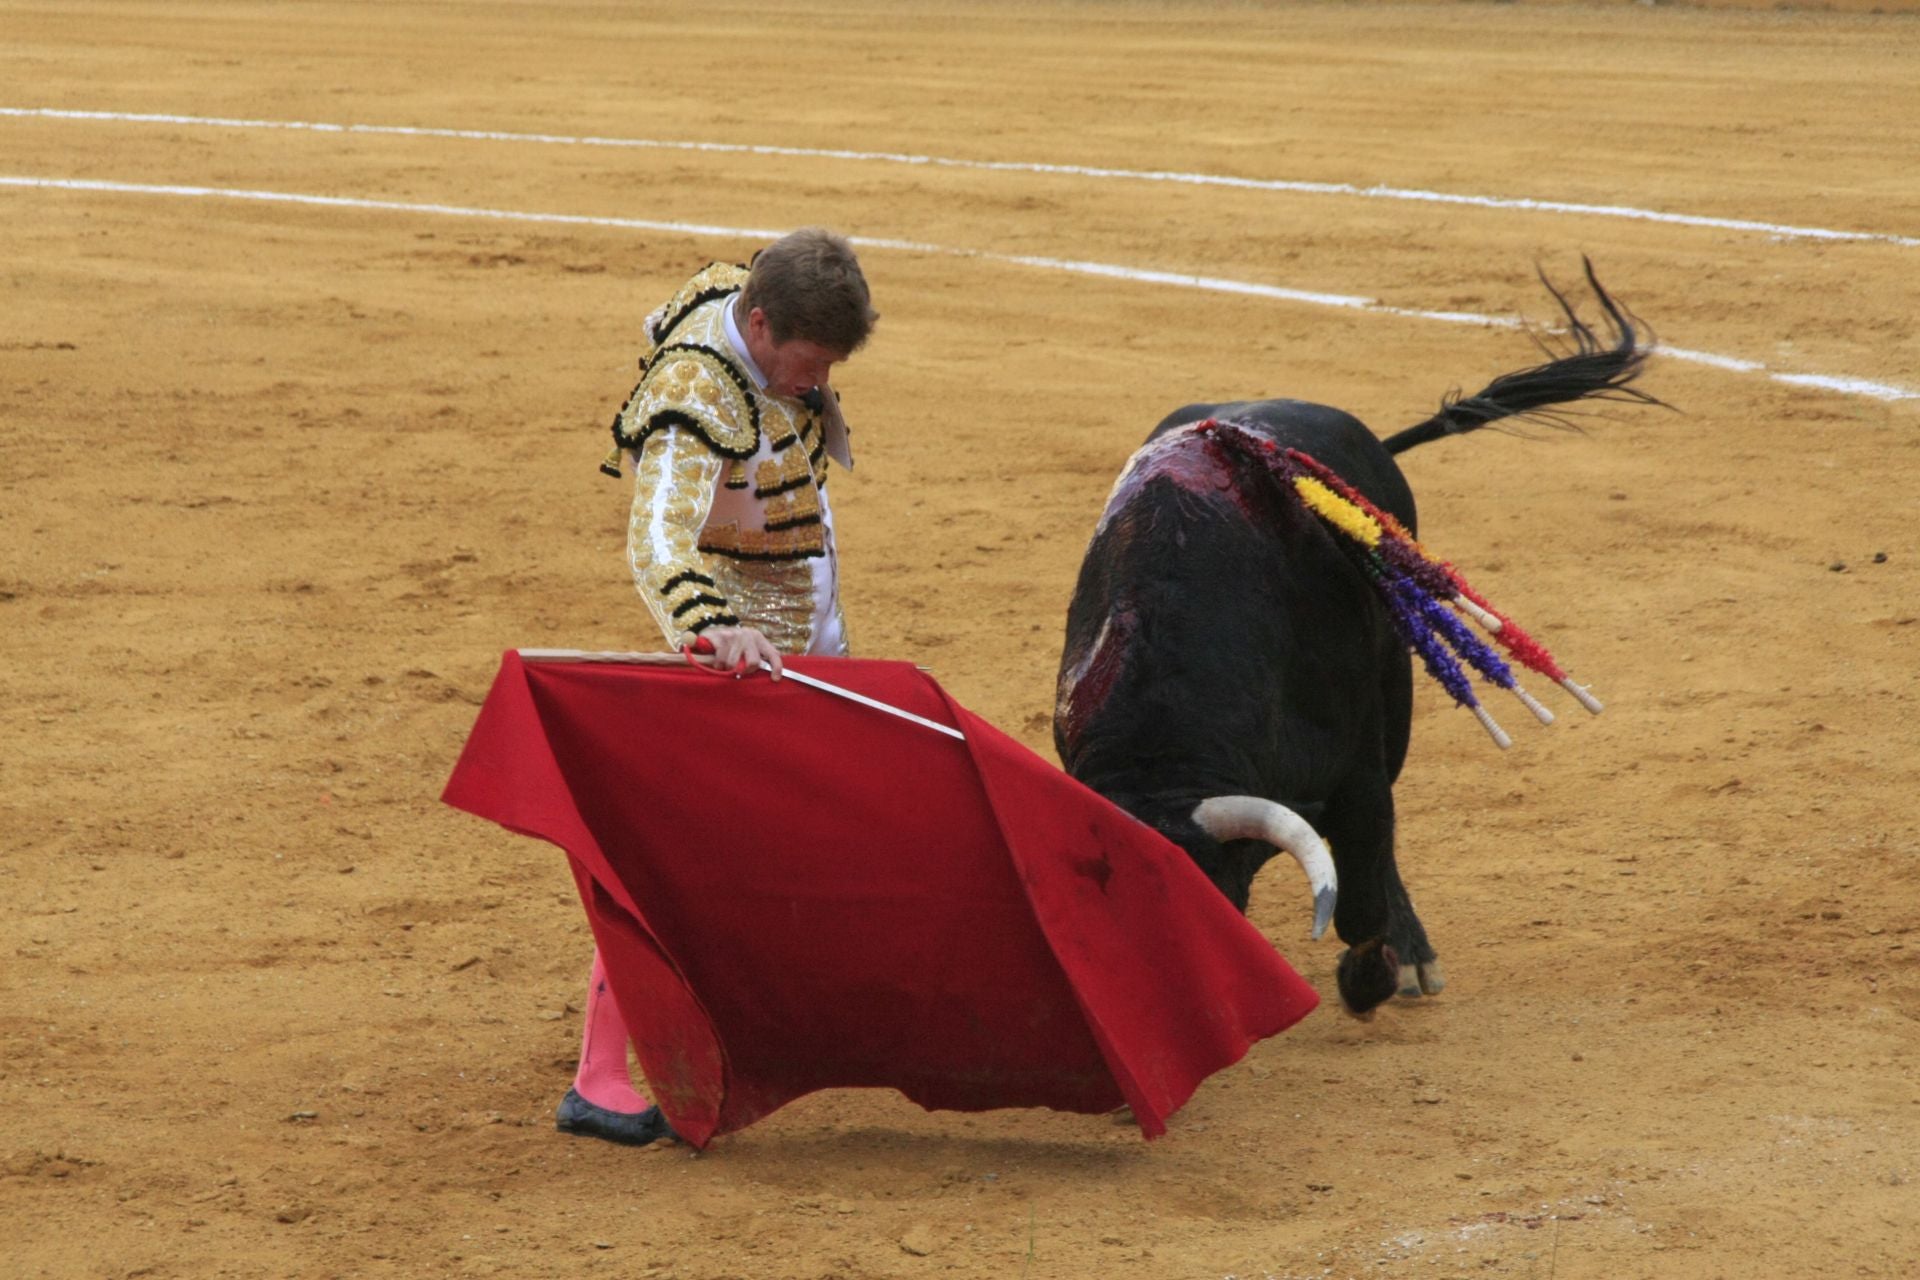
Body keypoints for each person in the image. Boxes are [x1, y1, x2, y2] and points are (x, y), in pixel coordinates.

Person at [558, 228, 879, 1146]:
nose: (814, 382)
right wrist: (709, 630)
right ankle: (598, 1074)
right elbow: (656, 542)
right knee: (675, 856)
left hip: (805, 619)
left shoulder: (770, 306)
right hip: (739, 656)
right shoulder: (693, 389)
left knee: (808, 830)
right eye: (806, 362)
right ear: (760, 322)